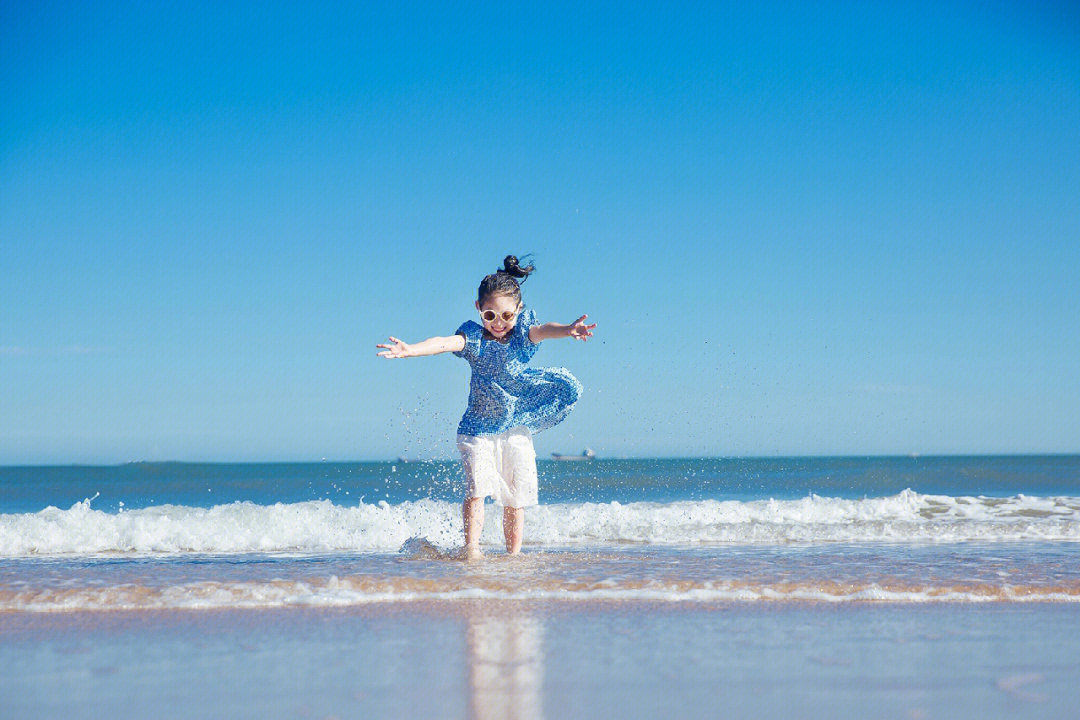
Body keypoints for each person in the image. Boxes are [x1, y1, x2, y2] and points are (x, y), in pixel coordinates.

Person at [377, 255, 596, 558]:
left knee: (515, 498)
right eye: (491, 315)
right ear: (479, 309)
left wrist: (568, 329)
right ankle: (472, 552)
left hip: (513, 428)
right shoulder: (474, 339)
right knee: (477, 490)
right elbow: (444, 342)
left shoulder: (523, 335)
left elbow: (544, 329)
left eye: (507, 315)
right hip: (476, 429)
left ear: (518, 311)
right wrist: (410, 350)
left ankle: (514, 556)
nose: (499, 323)